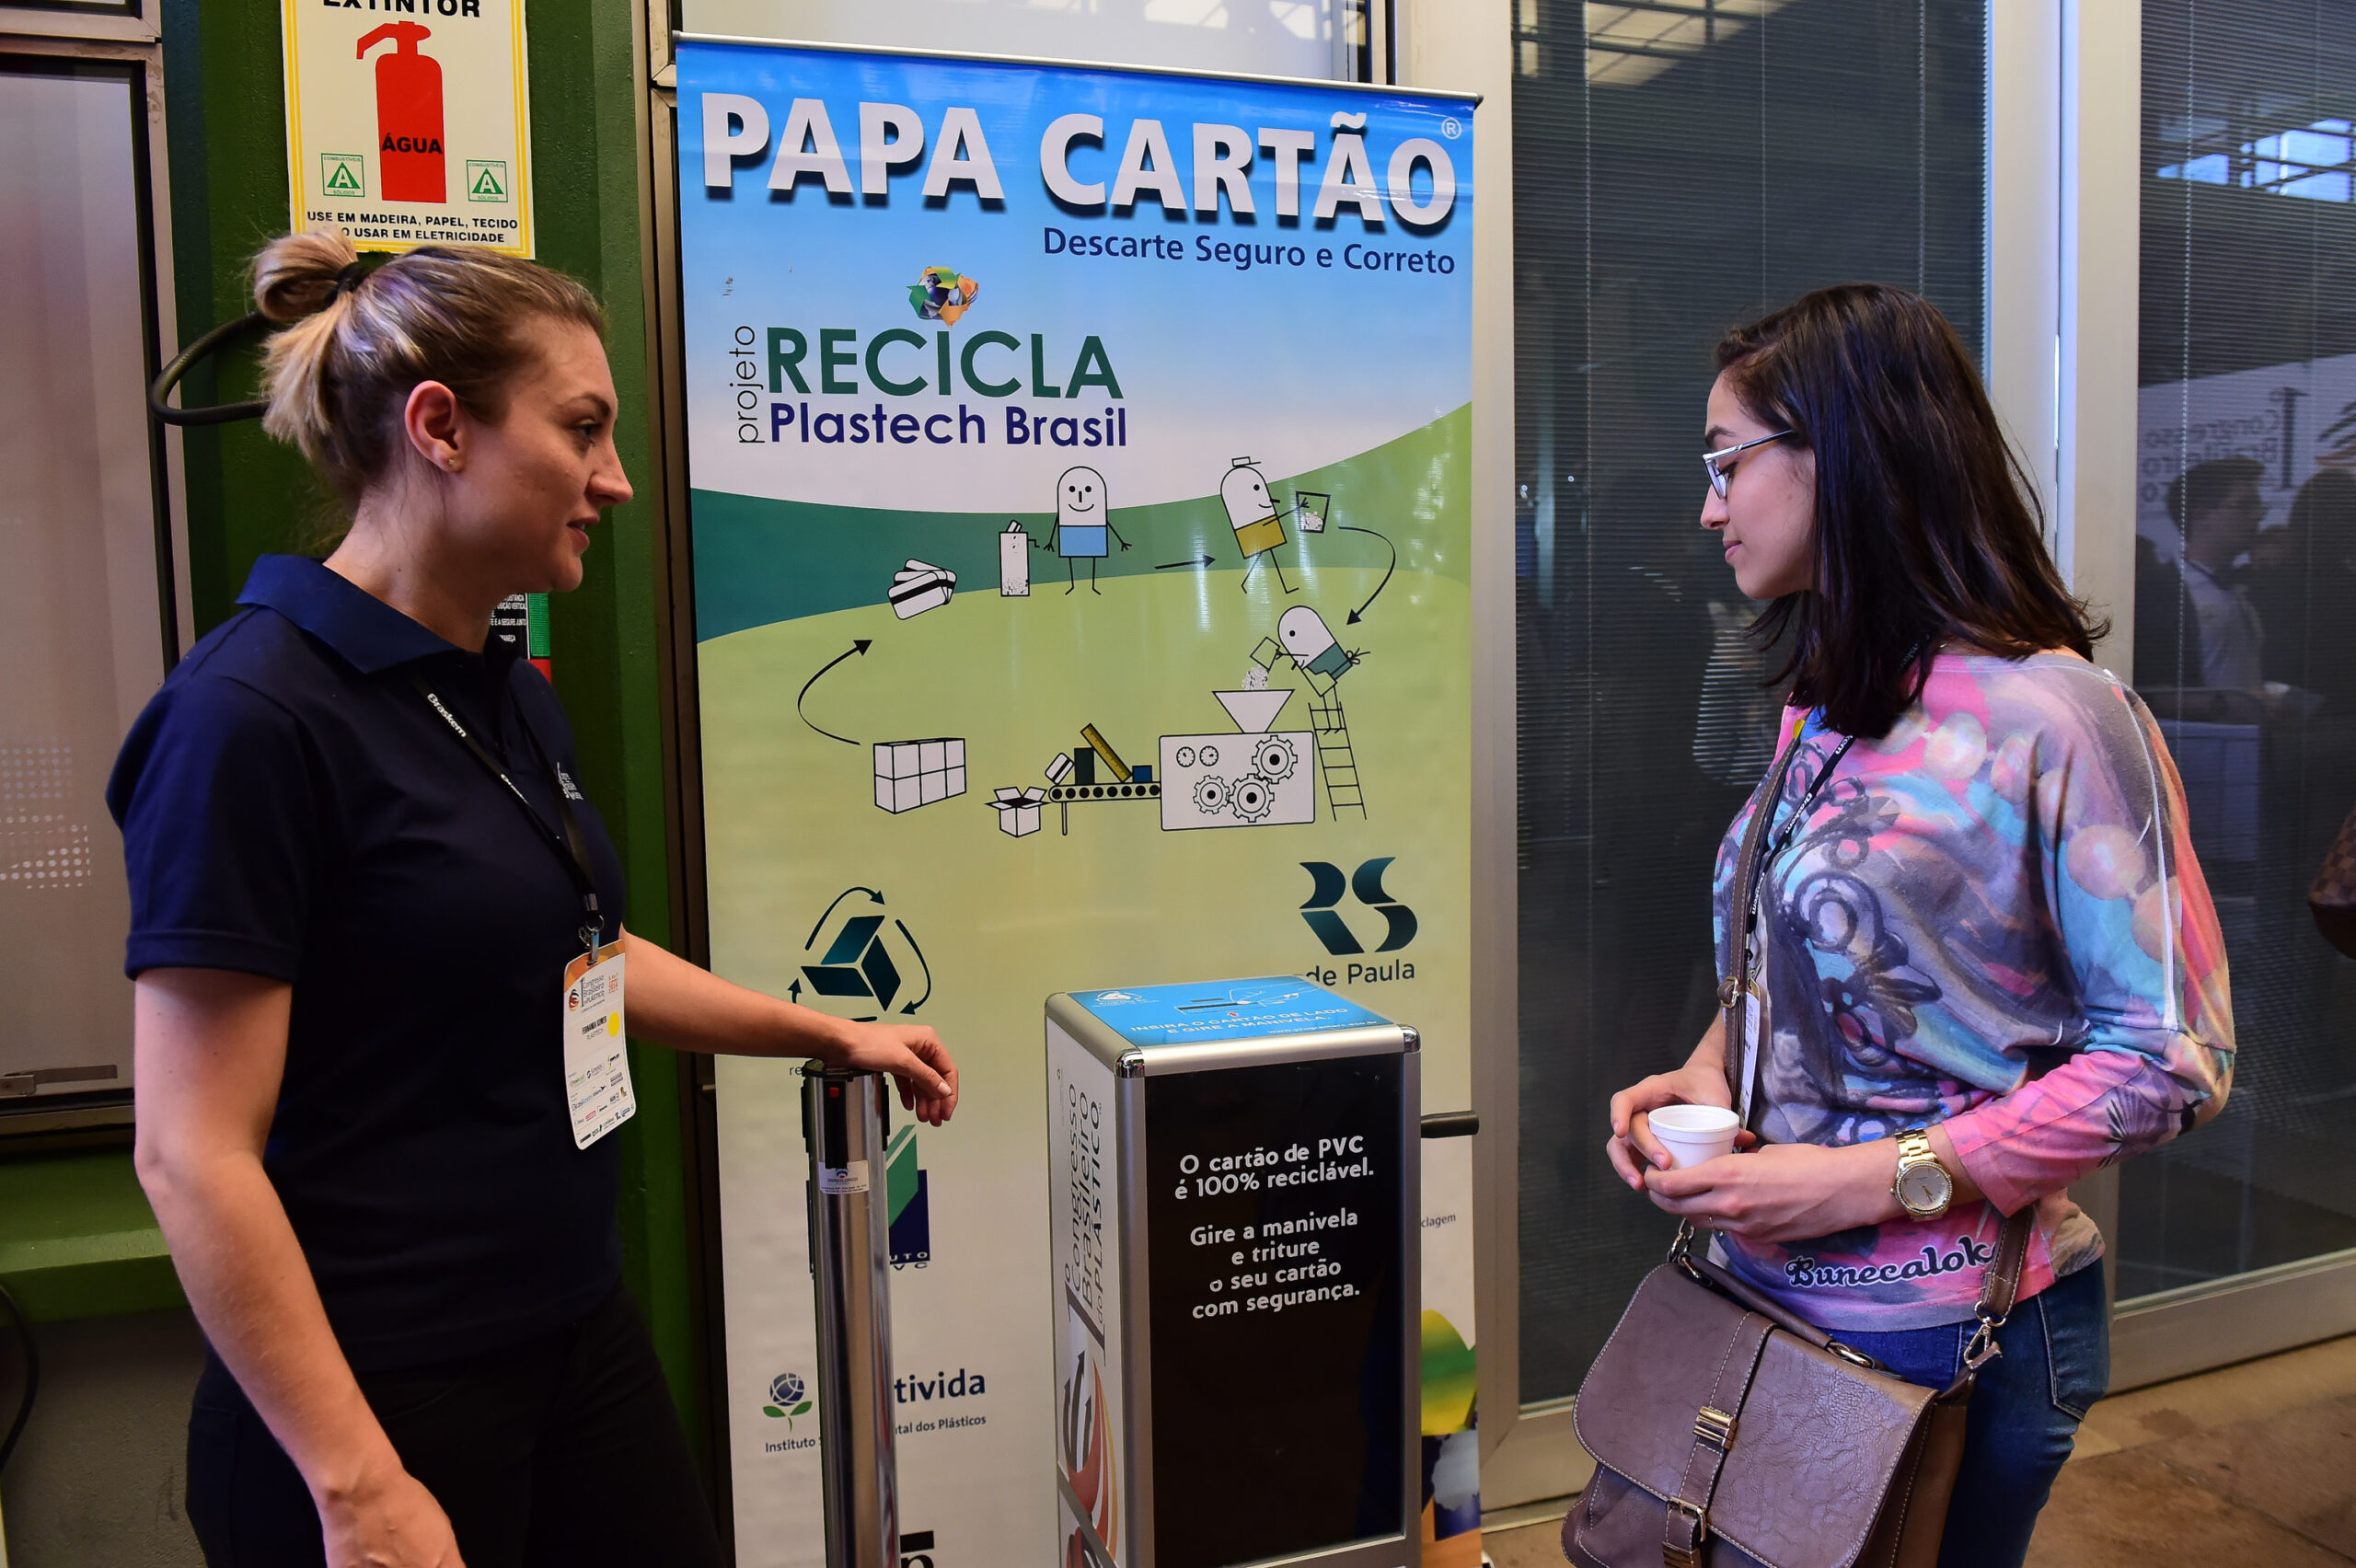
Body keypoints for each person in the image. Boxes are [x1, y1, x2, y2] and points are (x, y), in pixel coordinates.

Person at [110, 228, 962, 1568]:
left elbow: (578, 953)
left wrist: (823, 1030)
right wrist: (357, 1487)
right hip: (380, 1398)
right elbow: (192, 1153)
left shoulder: (492, 686)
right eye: (584, 430)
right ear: (441, 427)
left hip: (568, 1336)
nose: (614, 482)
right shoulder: (250, 718)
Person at [1604, 282, 2235, 1568]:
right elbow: (1808, 960)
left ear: (1848, 452)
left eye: (1729, 464)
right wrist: (1709, 1070)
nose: (1709, 506)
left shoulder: (2057, 717)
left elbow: (2171, 1063)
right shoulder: (1826, 705)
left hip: (1954, 1337)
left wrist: (1848, 1178)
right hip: (1767, 1296)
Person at [2168, 455, 2268, 689]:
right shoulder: (2170, 590)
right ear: (2200, 514)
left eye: (2258, 506)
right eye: (2244, 506)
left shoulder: (2243, 586)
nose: (2257, 516)